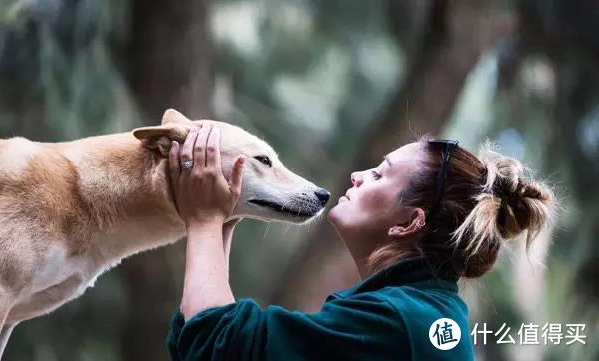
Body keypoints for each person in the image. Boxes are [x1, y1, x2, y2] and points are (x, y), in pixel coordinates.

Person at [165, 125, 556, 361]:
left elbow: (216, 347)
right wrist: (223, 217)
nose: (356, 175)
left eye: (379, 175)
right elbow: (201, 343)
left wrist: (204, 219)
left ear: (409, 222)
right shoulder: (421, 315)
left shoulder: (398, 323)